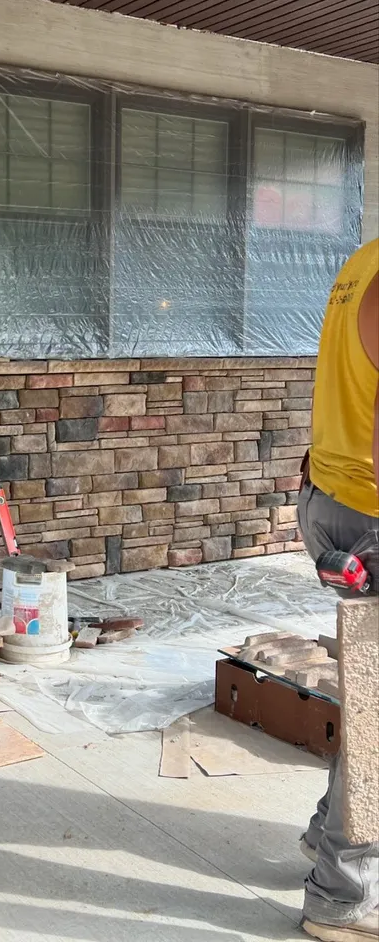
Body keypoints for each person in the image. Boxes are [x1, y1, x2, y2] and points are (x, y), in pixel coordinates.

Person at [297, 236, 379, 942]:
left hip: (334, 497)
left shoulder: (365, 260)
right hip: (370, 513)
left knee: (371, 697)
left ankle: (328, 835)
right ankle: (341, 896)